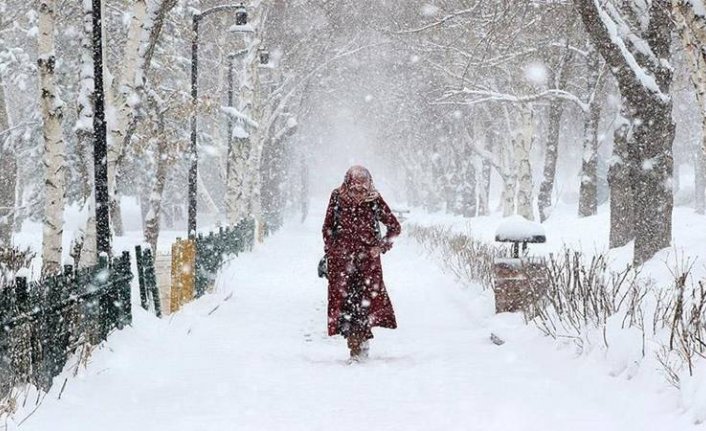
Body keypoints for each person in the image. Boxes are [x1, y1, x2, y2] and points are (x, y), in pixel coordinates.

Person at [322, 165, 401, 361]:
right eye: (355, 189)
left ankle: (359, 346)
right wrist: (333, 250)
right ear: (348, 185)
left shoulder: (374, 200)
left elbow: (394, 227)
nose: (359, 194)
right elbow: (327, 227)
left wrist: (381, 247)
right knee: (346, 305)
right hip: (342, 264)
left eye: (363, 190)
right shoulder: (337, 197)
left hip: (368, 265)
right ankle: (355, 344)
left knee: (364, 305)